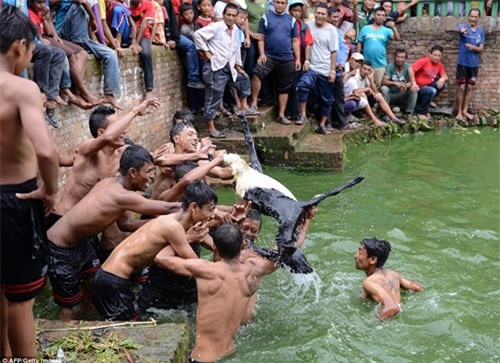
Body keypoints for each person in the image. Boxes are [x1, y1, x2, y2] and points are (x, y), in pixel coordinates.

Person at [46, 145, 180, 320]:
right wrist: (209, 210)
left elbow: (126, 223)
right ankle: (65, 341)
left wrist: (160, 224)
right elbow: (169, 207)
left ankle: (90, 326)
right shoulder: (122, 196)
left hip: (82, 243)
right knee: (72, 307)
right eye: (149, 171)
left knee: (94, 290)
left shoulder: (114, 182)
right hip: (60, 247)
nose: (153, 176)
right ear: (132, 172)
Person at [0, 6, 59, 358]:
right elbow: (47, 152)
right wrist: (50, 189)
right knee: (21, 300)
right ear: (20, 46)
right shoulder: (22, 89)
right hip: (14, 201)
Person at [92, 180, 219, 321]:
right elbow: (194, 264)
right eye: (211, 209)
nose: (213, 215)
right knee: (125, 329)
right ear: (194, 207)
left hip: (110, 277)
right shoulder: (173, 227)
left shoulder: (171, 222)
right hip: (113, 280)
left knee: (131, 325)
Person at [156, 224, 272, 362]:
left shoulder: (205, 270)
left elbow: (161, 258)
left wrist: (186, 238)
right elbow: (280, 255)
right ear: (242, 246)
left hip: (203, 358)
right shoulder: (253, 272)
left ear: (215, 248)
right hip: (229, 353)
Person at [50, 98, 160, 221]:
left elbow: (154, 158)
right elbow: (108, 137)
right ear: (101, 132)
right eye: (117, 127)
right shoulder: (88, 150)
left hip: (85, 226)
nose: (124, 130)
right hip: (62, 219)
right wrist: (135, 111)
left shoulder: (120, 157)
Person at [193, 3, 252, 138]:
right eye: (228, 15)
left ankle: (244, 108)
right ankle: (211, 127)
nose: (231, 18)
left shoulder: (236, 29)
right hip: (215, 67)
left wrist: (238, 65)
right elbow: (197, 35)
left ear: (237, 17)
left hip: (229, 66)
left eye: (233, 15)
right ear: (224, 15)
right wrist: (206, 52)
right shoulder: (216, 27)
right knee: (214, 94)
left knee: (244, 78)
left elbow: (236, 48)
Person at [55, 0, 123, 109]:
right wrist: (93, 18)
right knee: (79, 6)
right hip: (64, 33)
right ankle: (77, 92)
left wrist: (103, 43)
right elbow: (83, 4)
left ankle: (109, 94)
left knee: (110, 54)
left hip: (84, 38)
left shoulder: (93, 2)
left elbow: (95, 28)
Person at [247, 0, 301, 125]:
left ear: (286, 4)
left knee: (285, 86)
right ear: (273, 3)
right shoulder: (265, 17)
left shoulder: (291, 20)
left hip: (287, 57)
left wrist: (297, 58)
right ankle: (254, 103)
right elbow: (261, 38)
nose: (280, 5)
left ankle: (281, 115)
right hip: (269, 55)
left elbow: (294, 40)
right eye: (277, 2)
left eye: (282, 3)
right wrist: (261, 54)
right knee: (257, 73)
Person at [354, 237, 424, 320]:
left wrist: (373, 323)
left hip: (389, 322)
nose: (355, 255)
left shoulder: (369, 282)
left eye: (360, 252)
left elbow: (392, 307)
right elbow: (418, 288)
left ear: (372, 259)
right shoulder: (393, 274)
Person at [296, 4, 338, 134]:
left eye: (323, 14)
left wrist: (333, 70)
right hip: (311, 67)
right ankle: (302, 115)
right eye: (318, 13)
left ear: (327, 16)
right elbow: (306, 44)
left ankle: (322, 124)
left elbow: (334, 52)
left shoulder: (331, 30)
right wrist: (306, 61)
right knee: (303, 85)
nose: (320, 16)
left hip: (325, 69)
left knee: (327, 98)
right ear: (315, 12)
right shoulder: (308, 26)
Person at [344, 60, 404, 126]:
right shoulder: (355, 75)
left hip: (362, 100)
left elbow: (375, 92)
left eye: (368, 70)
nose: (366, 71)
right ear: (360, 67)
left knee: (379, 95)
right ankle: (374, 120)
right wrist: (367, 89)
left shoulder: (367, 75)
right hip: (351, 100)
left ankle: (393, 118)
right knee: (362, 94)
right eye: (364, 69)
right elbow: (355, 92)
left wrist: (371, 80)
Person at [357, 6, 399, 89]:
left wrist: (393, 27)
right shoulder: (365, 28)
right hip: (366, 64)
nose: (380, 17)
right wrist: (358, 58)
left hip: (380, 64)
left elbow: (397, 38)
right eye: (378, 15)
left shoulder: (387, 30)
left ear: (385, 17)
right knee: (364, 85)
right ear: (374, 16)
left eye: (383, 15)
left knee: (377, 87)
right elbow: (359, 43)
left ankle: (375, 102)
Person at [456, 8, 484, 122]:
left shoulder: (480, 32)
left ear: (478, 18)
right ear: (468, 16)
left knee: (469, 88)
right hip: (462, 63)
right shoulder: (463, 26)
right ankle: (458, 112)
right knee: (461, 87)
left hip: (474, 65)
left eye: (475, 17)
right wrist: (462, 31)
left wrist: (473, 47)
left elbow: (481, 49)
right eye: (471, 16)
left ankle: (465, 111)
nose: (473, 19)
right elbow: (461, 30)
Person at [408, 44, 448, 120]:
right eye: (434, 55)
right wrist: (414, 83)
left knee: (443, 84)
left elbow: (445, 76)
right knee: (432, 90)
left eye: (438, 56)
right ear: (430, 54)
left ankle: (428, 100)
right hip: (418, 88)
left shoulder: (439, 64)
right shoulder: (424, 61)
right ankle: (421, 112)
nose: (436, 57)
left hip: (428, 86)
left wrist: (442, 79)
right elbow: (410, 69)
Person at [129, 0, 155, 99]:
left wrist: (136, 42)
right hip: (128, 34)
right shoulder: (125, 4)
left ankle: (149, 89)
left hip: (143, 35)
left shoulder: (147, 4)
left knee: (146, 53)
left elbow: (144, 24)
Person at [380, 48, 417, 116]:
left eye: (402, 57)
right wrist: (395, 83)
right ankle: (386, 113)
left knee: (414, 89)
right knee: (384, 88)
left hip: (402, 94)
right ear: (395, 57)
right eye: (398, 57)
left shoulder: (408, 67)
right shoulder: (390, 66)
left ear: (405, 58)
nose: (400, 59)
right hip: (391, 95)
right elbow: (383, 81)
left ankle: (409, 112)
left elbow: (411, 81)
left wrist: (406, 85)